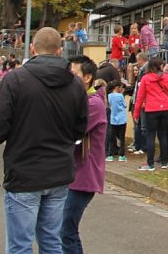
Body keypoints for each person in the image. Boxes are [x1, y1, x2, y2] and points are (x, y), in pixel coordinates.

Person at [0, 27, 89, 254]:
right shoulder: (76, 84)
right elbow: (80, 130)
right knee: (51, 241)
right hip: (59, 171)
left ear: (32, 48)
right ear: (60, 51)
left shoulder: (15, 79)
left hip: (25, 171)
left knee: (20, 245)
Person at [62, 55, 107, 254]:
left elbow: (65, 129)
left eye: (74, 74)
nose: (69, 78)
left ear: (87, 77)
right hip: (71, 174)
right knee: (61, 230)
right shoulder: (80, 100)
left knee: (66, 230)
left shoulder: (93, 104)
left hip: (83, 176)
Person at [133, 56, 168, 171]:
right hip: (166, 108)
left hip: (152, 109)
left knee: (150, 136)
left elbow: (140, 98)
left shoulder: (146, 78)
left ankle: (150, 163)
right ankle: (164, 162)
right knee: (163, 135)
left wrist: (136, 114)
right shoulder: (166, 77)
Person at [106, 82, 128, 162]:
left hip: (113, 119)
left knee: (112, 137)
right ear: (117, 87)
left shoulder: (109, 96)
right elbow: (124, 105)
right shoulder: (120, 95)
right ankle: (121, 155)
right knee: (121, 138)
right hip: (122, 118)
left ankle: (110, 155)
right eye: (120, 87)